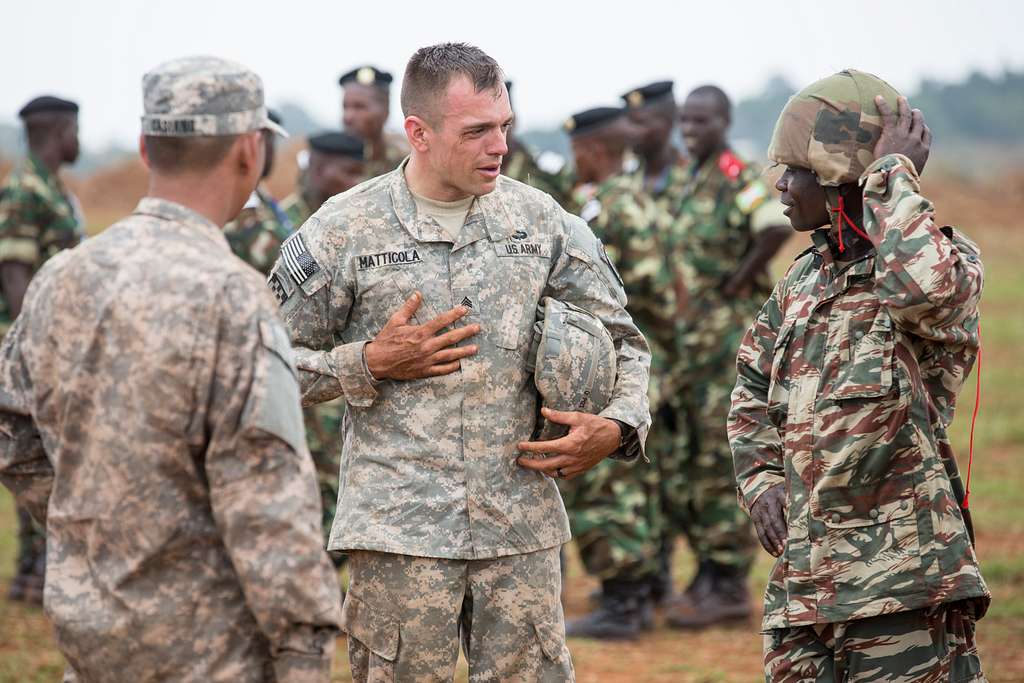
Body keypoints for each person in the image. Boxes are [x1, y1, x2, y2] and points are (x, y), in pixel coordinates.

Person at [270, 42, 650, 682]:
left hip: (519, 533)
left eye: (503, 125)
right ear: (417, 133)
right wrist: (366, 361)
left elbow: (625, 340)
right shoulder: (343, 231)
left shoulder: (542, 223)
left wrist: (618, 426)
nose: (498, 146)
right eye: (476, 131)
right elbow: (265, 366)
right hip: (399, 536)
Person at [0, 56, 342, 682]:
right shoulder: (233, 297)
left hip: (93, 637)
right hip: (211, 651)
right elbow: (268, 503)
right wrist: (304, 651)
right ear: (250, 151)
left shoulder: (61, 279)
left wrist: (98, 522)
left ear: (144, 146)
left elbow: (13, 436)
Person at [729, 69, 988, 681]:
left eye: (796, 172)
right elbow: (750, 390)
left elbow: (924, 290)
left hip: (904, 589)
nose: (782, 187)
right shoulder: (803, 279)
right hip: (803, 589)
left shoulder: (945, 265)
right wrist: (762, 482)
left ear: (840, 175)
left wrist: (892, 174)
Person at [654, 85, 790, 629]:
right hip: (691, 349)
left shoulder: (733, 171)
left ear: (724, 121)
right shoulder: (689, 173)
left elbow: (774, 225)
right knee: (691, 458)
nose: (690, 128)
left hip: (727, 345)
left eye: (701, 120)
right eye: (684, 120)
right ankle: (709, 571)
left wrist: (736, 285)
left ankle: (728, 579)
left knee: (721, 456)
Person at [560, 106, 679, 640]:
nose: (573, 161)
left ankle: (623, 602)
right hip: (645, 357)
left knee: (613, 485)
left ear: (593, 150)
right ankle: (645, 587)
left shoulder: (611, 208)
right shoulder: (630, 199)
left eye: (577, 151)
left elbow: (647, 290)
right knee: (641, 480)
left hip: (621, 363)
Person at [0, 94, 83, 605]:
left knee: (54, 450)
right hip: (36, 346)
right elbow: (14, 271)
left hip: (58, 341)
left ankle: (38, 571)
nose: (80, 140)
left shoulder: (49, 187)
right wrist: (34, 348)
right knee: (38, 450)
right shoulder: (23, 189)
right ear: (57, 130)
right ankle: (33, 573)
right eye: (76, 129)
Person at [223, 108, 293, 273]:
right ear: (251, 145)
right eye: (267, 143)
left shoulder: (261, 196)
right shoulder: (233, 202)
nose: (272, 153)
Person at [501, 80, 573, 206]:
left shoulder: (545, 167)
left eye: (504, 124)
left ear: (515, 120)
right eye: (482, 127)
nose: (496, 133)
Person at [620, 81, 687, 213]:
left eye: (639, 123)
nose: (630, 132)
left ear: (667, 122)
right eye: (627, 125)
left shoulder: (693, 179)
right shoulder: (623, 183)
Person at [281, 131, 367, 227]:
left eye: (361, 174)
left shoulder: (357, 217)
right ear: (319, 171)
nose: (358, 182)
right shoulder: (284, 223)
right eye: (350, 172)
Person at [339, 65, 409, 180]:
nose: (348, 117)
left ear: (385, 110)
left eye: (359, 107)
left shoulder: (406, 161)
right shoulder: (332, 160)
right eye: (345, 107)